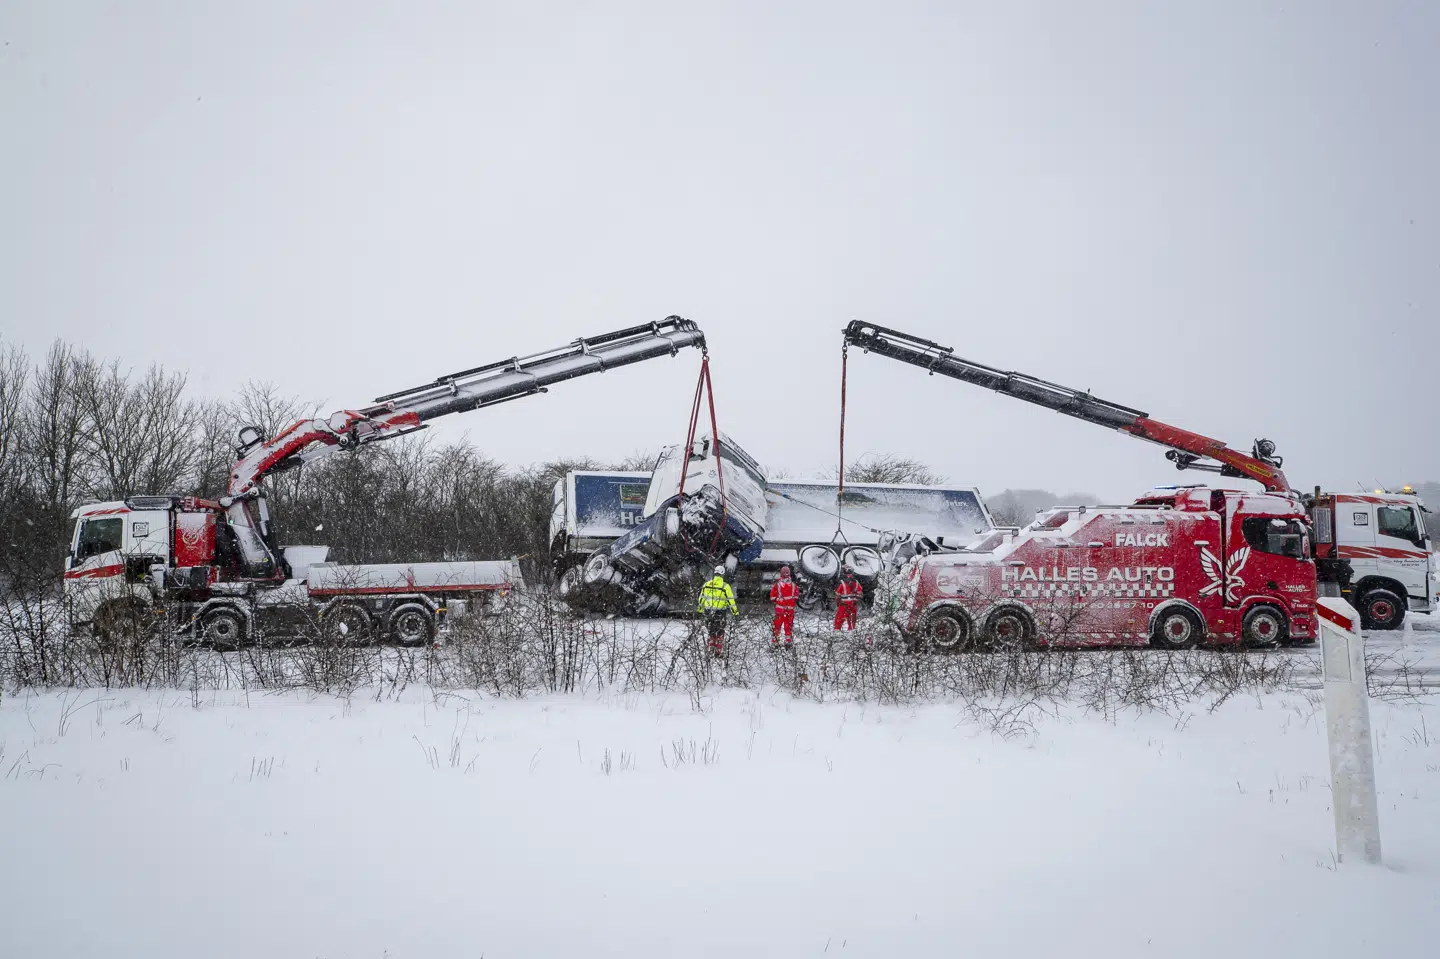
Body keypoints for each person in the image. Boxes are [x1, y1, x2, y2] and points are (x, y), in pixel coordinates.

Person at [697, 564, 739, 657]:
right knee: (720, 632)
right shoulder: (725, 586)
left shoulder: (707, 584)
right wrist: (735, 612)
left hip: (708, 612)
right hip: (720, 613)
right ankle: (718, 652)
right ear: (722, 574)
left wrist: (700, 610)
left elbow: (701, 599)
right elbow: (730, 601)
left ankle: (710, 650)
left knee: (711, 631)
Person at [769, 565, 799, 647]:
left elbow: (772, 597)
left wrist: (778, 600)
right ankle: (788, 641)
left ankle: (775, 642)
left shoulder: (777, 585)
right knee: (788, 626)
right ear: (789, 574)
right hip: (790, 611)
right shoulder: (794, 585)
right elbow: (796, 597)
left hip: (780, 610)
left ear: (781, 574)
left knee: (777, 626)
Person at [833, 566, 862, 632]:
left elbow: (838, 595)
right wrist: (856, 601)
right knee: (852, 618)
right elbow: (860, 593)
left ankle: (837, 631)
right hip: (853, 603)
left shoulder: (842, 583)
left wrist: (838, 603)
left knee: (839, 618)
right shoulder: (856, 582)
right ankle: (852, 629)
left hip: (844, 604)